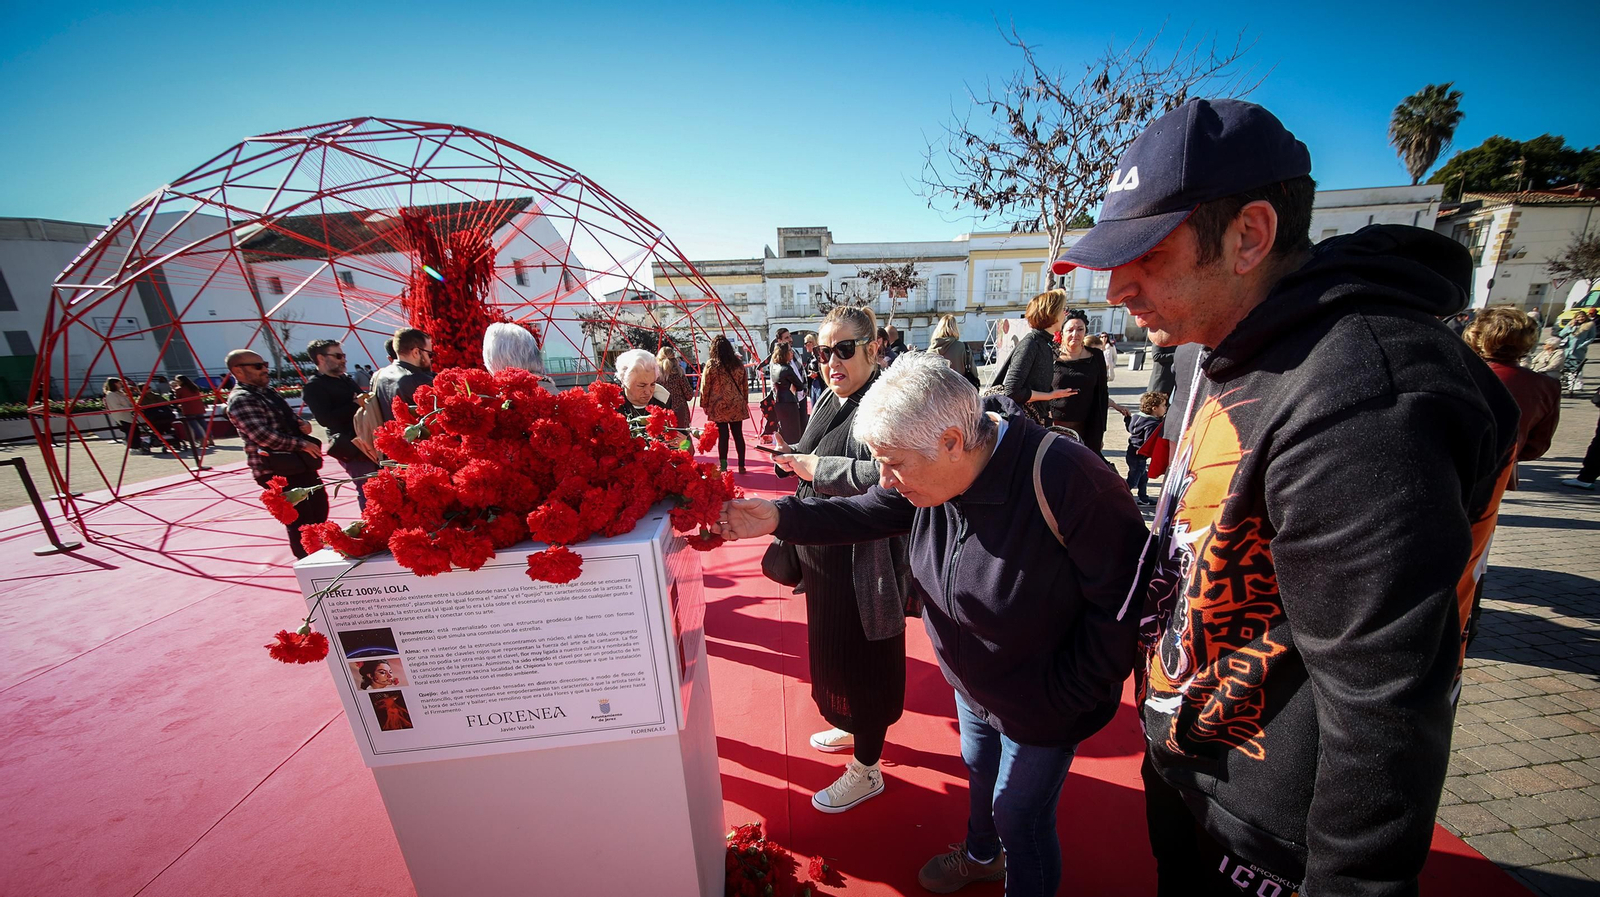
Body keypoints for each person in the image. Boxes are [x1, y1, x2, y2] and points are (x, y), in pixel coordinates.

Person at [1050, 97, 1518, 896]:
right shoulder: (1218, 342)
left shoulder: (1363, 391)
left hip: (1275, 829)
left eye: (1146, 255)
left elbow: (1385, 708)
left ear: (1251, 235)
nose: (1116, 285)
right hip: (1194, 767)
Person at [715, 354, 1147, 897]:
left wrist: (1067, 695)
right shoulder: (934, 474)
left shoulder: (1069, 478)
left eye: (894, 463)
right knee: (979, 769)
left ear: (950, 441)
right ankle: (982, 854)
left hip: (1045, 699)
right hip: (974, 683)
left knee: (1019, 815)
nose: (887, 479)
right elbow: (869, 510)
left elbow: (1124, 602)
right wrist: (780, 516)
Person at [768, 305, 911, 814]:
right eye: (823, 350)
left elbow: (887, 476)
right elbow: (810, 457)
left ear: (873, 348)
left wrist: (816, 466)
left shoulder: (886, 403)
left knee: (868, 663)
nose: (831, 360)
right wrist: (791, 458)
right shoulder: (832, 397)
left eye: (844, 349)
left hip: (867, 565)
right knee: (833, 654)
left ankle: (868, 769)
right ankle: (848, 724)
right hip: (825, 558)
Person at [224, 348, 329, 559]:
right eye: (257, 366)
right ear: (238, 371)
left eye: (264, 365)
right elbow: (262, 436)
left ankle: (319, 555)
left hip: (297, 464)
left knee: (318, 509)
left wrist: (303, 425)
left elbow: (288, 421)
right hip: (276, 470)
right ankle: (309, 562)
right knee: (301, 520)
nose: (264, 370)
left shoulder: (267, 393)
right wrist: (300, 444)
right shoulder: (242, 399)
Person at [1465, 309, 1560, 489]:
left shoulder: (1461, 375)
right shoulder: (1546, 385)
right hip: (1499, 473)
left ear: (1477, 337)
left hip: (1449, 471)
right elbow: (1537, 446)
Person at [302, 338, 379, 510]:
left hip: (367, 439)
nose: (343, 359)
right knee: (368, 489)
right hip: (350, 446)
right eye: (338, 356)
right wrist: (354, 404)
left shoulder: (344, 379)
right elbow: (325, 419)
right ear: (321, 358)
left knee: (379, 485)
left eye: (343, 355)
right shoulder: (314, 387)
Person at [998, 289, 1076, 422]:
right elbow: (1012, 390)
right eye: (1063, 308)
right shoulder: (1031, 343)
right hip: (1024, 423)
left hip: (1034, 420)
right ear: (1052, 312)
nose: (1065, 313)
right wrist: (1050, 396)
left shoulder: (1043, 342)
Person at [1048, 318, 1109, 453]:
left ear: (1085, 332)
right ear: (1062, 333)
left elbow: (1102, 392)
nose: (1075, 334)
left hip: (1087, 425)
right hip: (1055, 425)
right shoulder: (1050, 355)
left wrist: (1100, 430)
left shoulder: (1096, 356)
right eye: (1070, 330)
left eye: (1080, 329)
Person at [699, 335, 750, 473]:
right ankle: (741, 465)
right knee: (738, 435)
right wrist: (744, 401)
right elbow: (745, 385)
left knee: (723, 436)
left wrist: (704, 404)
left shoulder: (712, 364)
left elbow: (705, 386)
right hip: (736, 404)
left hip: (718, 405)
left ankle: (723, 466)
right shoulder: (738, 364)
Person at [370, 328, 434, 424]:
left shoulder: (378, 375)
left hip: (390, 435)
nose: (431, 360)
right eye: (430, 354)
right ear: (416, 352)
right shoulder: (419, 380)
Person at [1124, 391, 1167, 505]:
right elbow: (1149, 441)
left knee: (1143, 477)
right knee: (1133, 480)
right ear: (1154, 408)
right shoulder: (1152, 424)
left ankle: (1143, 498)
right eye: (1163, 405)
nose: (1165, 408)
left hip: (1131, 453)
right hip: (1139, 456)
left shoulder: (1137, 417)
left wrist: (1127, 419)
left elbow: (1130, 429)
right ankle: (1120, 495)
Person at [767, 344, 807, 445]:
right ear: (784, 353)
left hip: (779, 402)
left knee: (784, 430)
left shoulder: (774, 367)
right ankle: (792, 455)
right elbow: (800, 385)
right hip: (789, 403)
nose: (792, 352)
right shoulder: (787, 369)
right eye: (789, 350)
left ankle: (784, 453)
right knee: (793, 433)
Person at [614, 348, 669, 421]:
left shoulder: (663, 400)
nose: (648, 392)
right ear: (624, 381)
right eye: (642, 385)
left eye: (652, 384)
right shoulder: (612, 407)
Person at [929, 313, 977, 386]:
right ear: (955, 328)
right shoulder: (963, 347)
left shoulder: (931, 350)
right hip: (959, 391)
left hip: (936, 393)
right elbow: (974, 373)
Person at [171, 375, 210, 461]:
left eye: (177, 381)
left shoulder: (179, 389)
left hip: (188, 408)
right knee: (203, 423)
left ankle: (202, 440)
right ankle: (210, 439)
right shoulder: (194, 386)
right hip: (199, 407)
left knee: (194, 425)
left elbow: (178, 399)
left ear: (181, 381)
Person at [656, 345, 694, 430]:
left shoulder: (655, 375)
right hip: (680, 411)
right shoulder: (678, 373)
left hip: (662, 411)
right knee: (683, 438)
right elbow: (689, 395)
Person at [103, 378, 141, 451]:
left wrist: (134, 407)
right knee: (131, 431)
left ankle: (137, 446)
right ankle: (133, 447)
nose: (121, 384)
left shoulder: (120, 393)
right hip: (121, 416)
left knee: (135, 430)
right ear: (115, 384)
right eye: (119, 383)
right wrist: (130, 408)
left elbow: (128, 402)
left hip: (128, 415)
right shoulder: (111, 395)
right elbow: (117, 407)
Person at [1560, 311, 1594, 391]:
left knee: (1577, 366)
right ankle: (1569, 383)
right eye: (1578, 317)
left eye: (1582, 317)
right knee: (1566, 366)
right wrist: (1570, 326)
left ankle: (1578, 384)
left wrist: (1582, 345)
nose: (1581, 318)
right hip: (1567, 348)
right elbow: (1561, 334)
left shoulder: (1589, 325)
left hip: (1579, 349)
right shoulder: (1571, 324)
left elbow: (1591, 337)